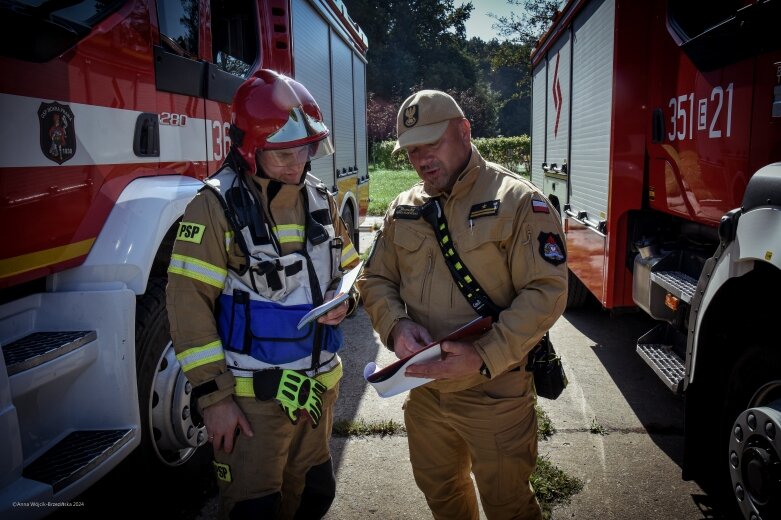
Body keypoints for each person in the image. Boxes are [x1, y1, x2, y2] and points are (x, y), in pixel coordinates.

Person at [356, 90, 568, 520]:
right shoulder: (403, 209)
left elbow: (547, 291)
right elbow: (375, 279)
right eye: (412, 150)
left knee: (509, 504)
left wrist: (482, 355)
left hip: (495, 391)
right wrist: (396, 327)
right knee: (442, 494)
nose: (421, 159)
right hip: (425, 391)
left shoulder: (519, 201)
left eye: (431, 144)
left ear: (465, 131)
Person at [166, 69, 359, 519]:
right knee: (256, 512)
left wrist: (349, 299)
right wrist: (214, 399)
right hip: (254, 407)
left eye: (305, 149)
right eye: (283, 154)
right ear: (249, 151)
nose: (298, 163)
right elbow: (187, 303)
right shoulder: (214, 207)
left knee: (315, 496)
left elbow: (351, 270)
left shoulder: (320, 200)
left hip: (316, 398)